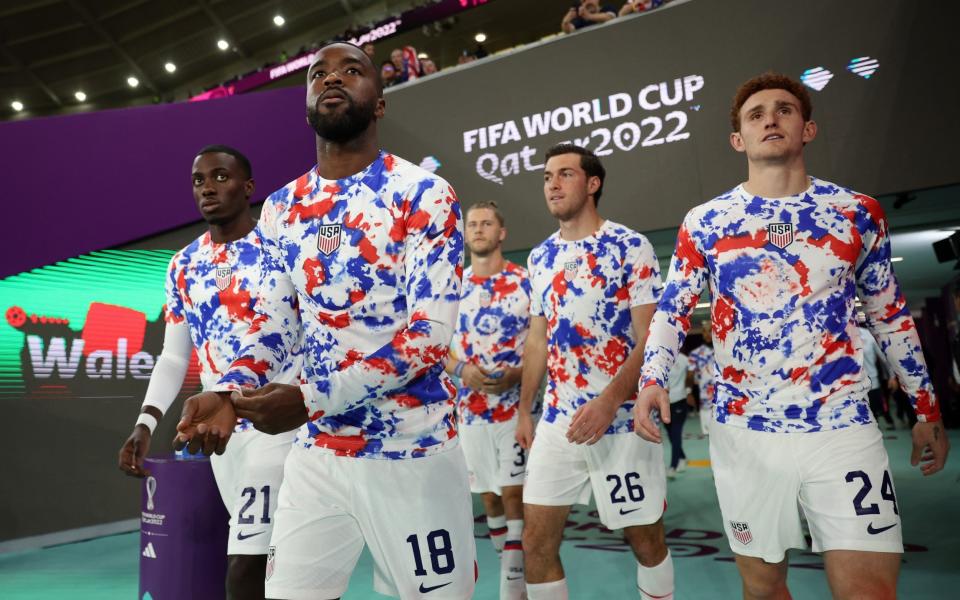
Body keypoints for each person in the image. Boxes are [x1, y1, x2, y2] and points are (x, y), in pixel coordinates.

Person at [174, 42, 476, 598]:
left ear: (379, 103)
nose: (332, 79)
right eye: (319, 74)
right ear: (307, 99)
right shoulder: (282, 209)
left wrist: (308, 397)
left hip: (413, 451)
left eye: (351, 71)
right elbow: (275, 325)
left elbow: (428, 340)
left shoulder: (424, 194)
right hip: (320, 455)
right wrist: (226, 389)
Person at [635, 72, 950, 600]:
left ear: (808, 129)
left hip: (842, 424)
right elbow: (672, 312)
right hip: (744, 432)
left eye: (784, 109)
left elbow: (890, 316)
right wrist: (652, 379)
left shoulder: (856, 212)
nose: (770, 119)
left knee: (870, 589)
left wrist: (927, 409)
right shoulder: (706, 221)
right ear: (738, 140)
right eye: (755, 115)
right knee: (762, 588)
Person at [117, 145, 302, 600]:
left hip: (277, 424)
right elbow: (175, 357)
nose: (208, 188)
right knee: (282, 566)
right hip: (222, 437)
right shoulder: (183, 264)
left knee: (246, 568)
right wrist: (145, 423)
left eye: (220, 177)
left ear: (248, 188)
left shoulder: (284, 250)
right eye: (199, 181)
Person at [516, 144, 674, 600]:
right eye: (547, 176)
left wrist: (609, 401)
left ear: (592, 183)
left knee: (646, 543)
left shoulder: (630, 245)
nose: (552, 184)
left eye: (564, 174)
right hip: (558, 423)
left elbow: (650, 338)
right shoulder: (541, 257)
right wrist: (526, 410)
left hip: (623, 424)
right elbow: (538, 339)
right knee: (535, 544)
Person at [446, 201, 531, 599]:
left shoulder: (524, 282)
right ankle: (513, 571)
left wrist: (519, 373)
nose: (478, 229)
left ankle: (511, 592)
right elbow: (433, 346)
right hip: (469, 415)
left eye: (487, 224)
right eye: (472, 224)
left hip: (515, 413)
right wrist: (462, 371)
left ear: (501, 233)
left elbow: (540, 343)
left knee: (515, 497)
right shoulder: (451, 287)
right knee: (492, 501)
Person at [858, 318, 896, 430]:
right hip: (850, 387)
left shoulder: (868, 336)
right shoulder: (839, 337)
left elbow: (885, 358)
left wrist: (892, 376)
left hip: (872, 383)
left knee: (874, 416)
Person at [687, 319, 715, 437]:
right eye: (705, 331)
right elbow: (690, 375)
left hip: (727, 399)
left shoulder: (725, 352)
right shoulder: (696, 354)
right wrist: (688, 392)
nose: (707, 334)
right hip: (706, 399)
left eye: (710, 331)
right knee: (709, 435)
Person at [664, 350, 689, 478]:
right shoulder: (662, 357)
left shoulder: (684, 359)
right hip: (664, 403)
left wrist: (688, 391)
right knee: (670, 434)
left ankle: (673, 466)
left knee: (676, 433)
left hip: (680, 400)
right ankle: (682, 457)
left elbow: (691, 376)